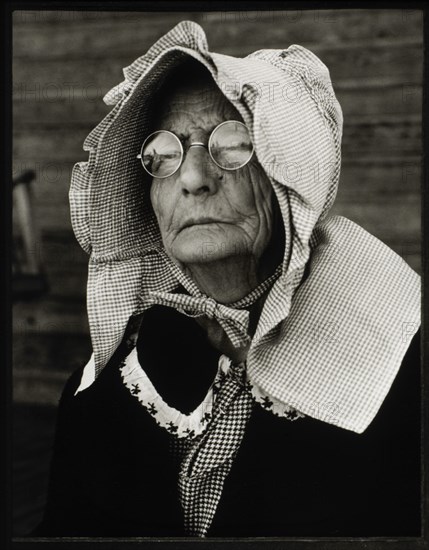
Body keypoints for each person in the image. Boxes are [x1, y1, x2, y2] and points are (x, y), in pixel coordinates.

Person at [34, 21, 421, 537]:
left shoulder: (392, 363)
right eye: (164, 155)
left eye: (233, 143)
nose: (192, 178)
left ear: (292, 178)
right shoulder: (113, 378)